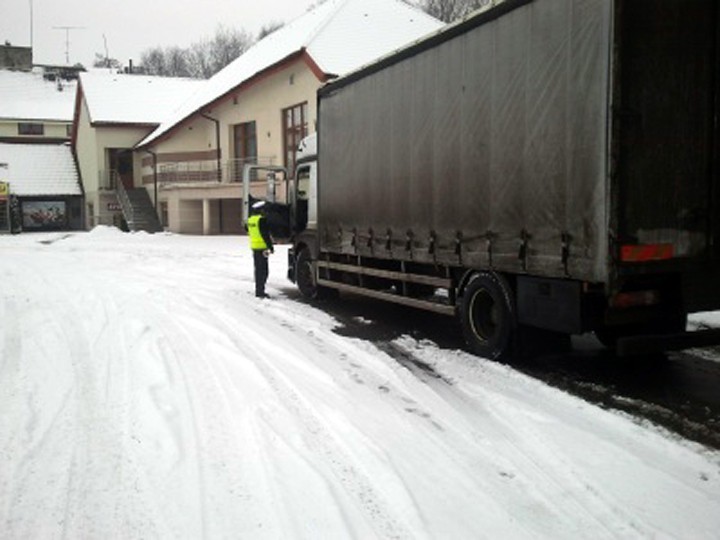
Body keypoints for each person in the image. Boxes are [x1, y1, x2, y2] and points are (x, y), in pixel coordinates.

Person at [247, 200, 274, 298]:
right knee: (264, 271)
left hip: (254, 248)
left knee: (258, 270)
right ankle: (260, 291)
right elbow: (265, 235)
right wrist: (270, 246)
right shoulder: (261, 220)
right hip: (262, 248)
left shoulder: (250, 220)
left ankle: (259, 290)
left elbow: (247, 230)